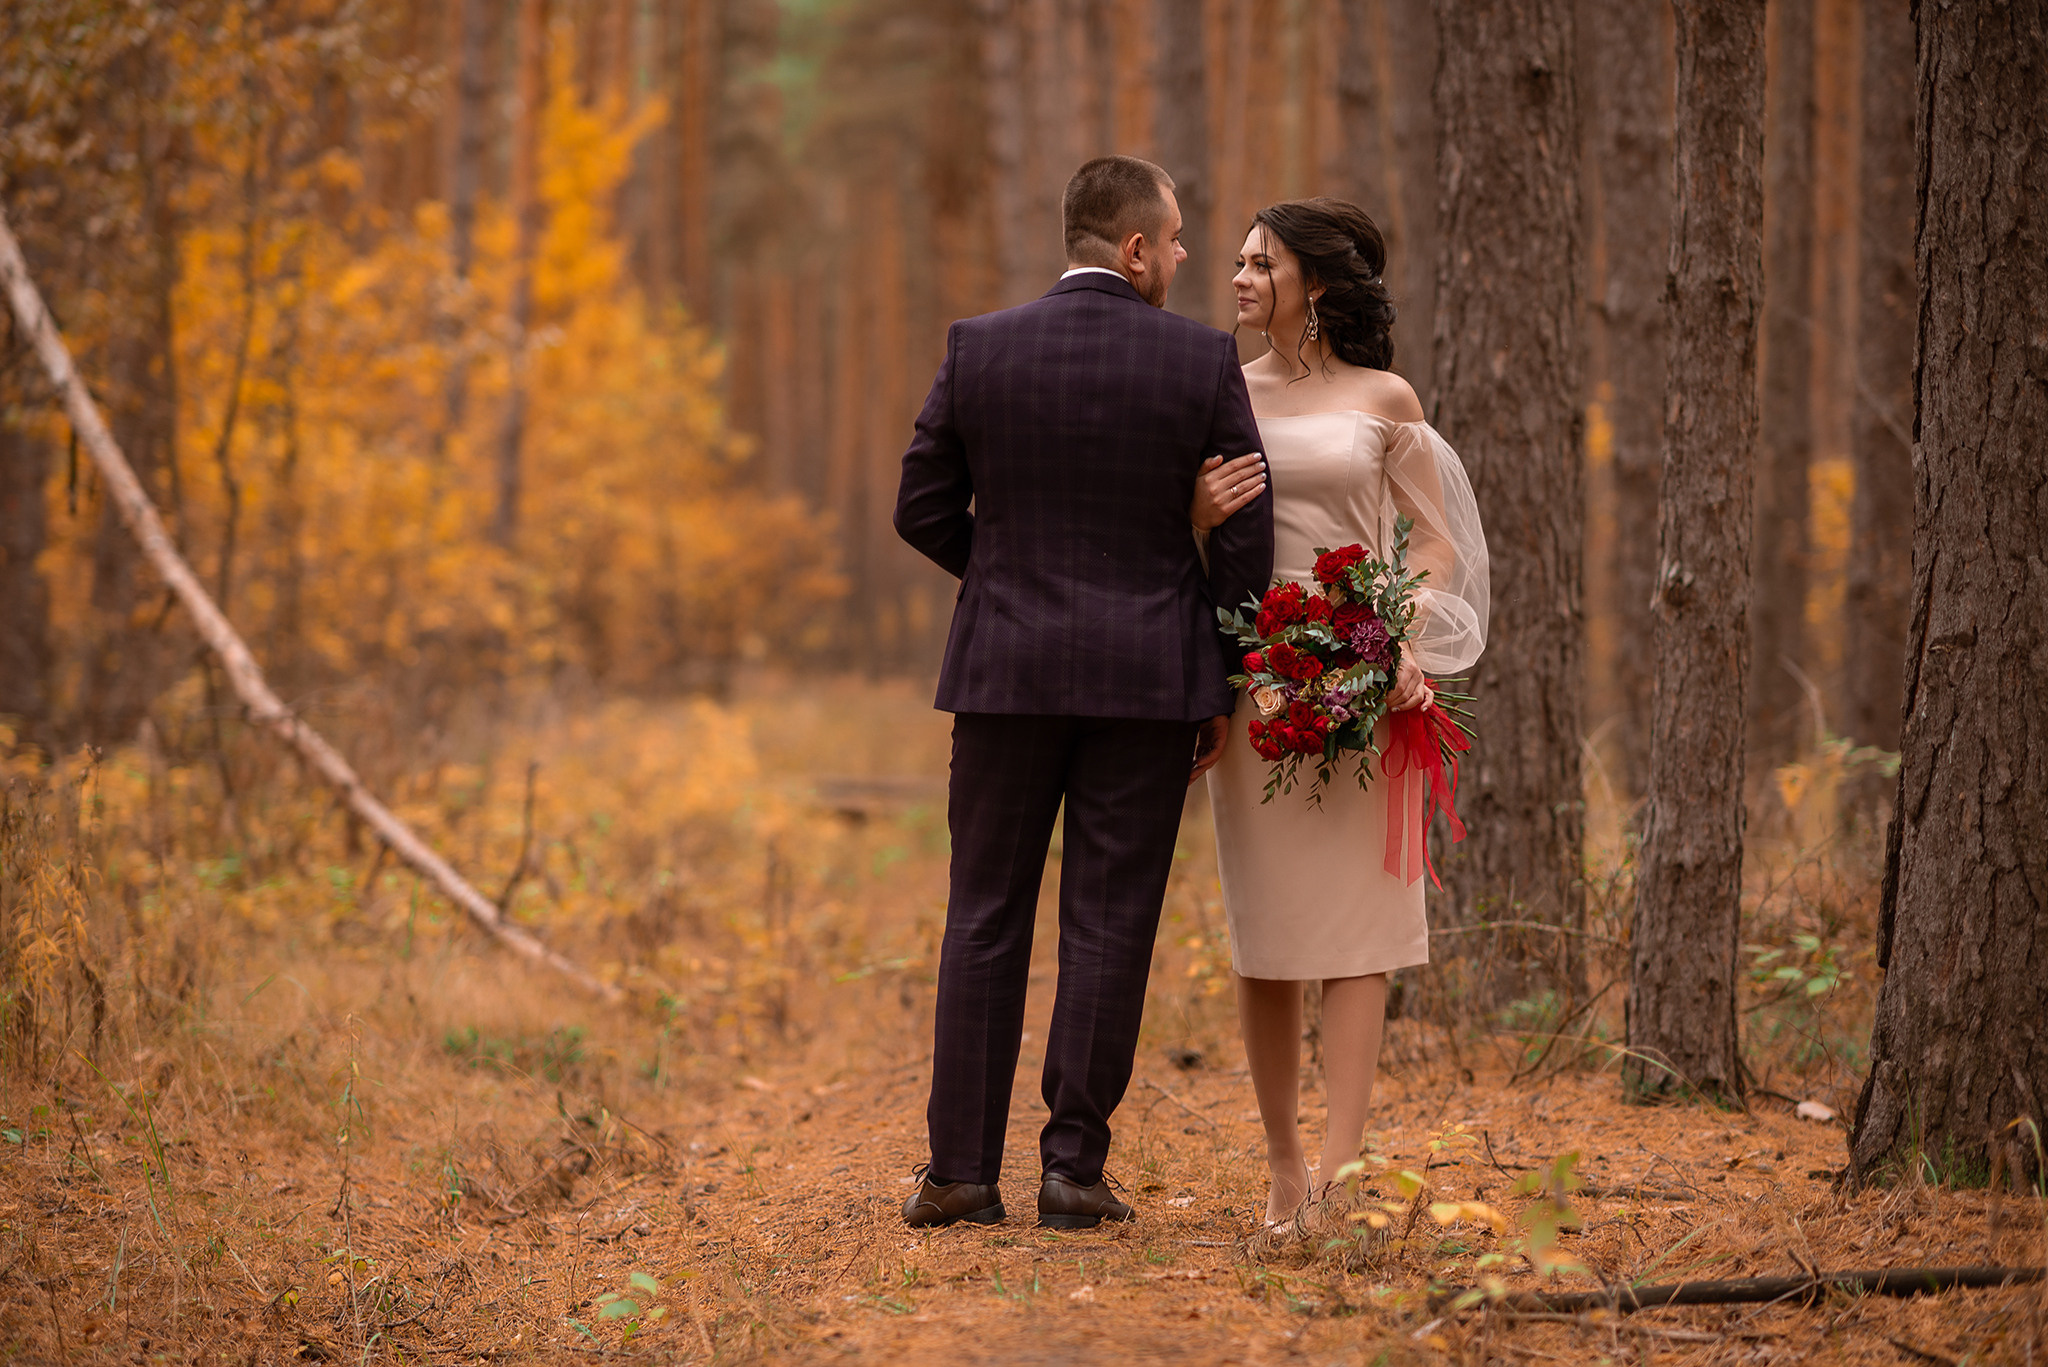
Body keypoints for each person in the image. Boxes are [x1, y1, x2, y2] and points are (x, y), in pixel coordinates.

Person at [892, 156, 1275, 1230]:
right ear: (1135, 248)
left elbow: (919, 508)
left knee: (982, 916)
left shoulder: (980, 347)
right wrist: (1222, 673)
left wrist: (1006, 576)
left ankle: (960, 1171)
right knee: (1109, 921)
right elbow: (1245, 528)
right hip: (1147, 680)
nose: (1189, 257)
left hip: (1004, 674)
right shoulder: (1199, 361)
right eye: (1180, 237)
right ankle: (1072, 1169)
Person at [1193, 197, 1489, 1230]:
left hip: (1363, 669)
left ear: (1310, 284)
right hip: (1255, 675)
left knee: (1359, 930)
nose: (1234, 277)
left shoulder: (1384, 395)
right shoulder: (1215, 388)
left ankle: (1341, 1170)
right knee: (1266, 929)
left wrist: (1398, 636)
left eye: (1256, 263)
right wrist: (1188, 519)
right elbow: (1172, 533)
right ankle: (1280, 1168)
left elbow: (1435, 540)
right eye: (1232, 261)